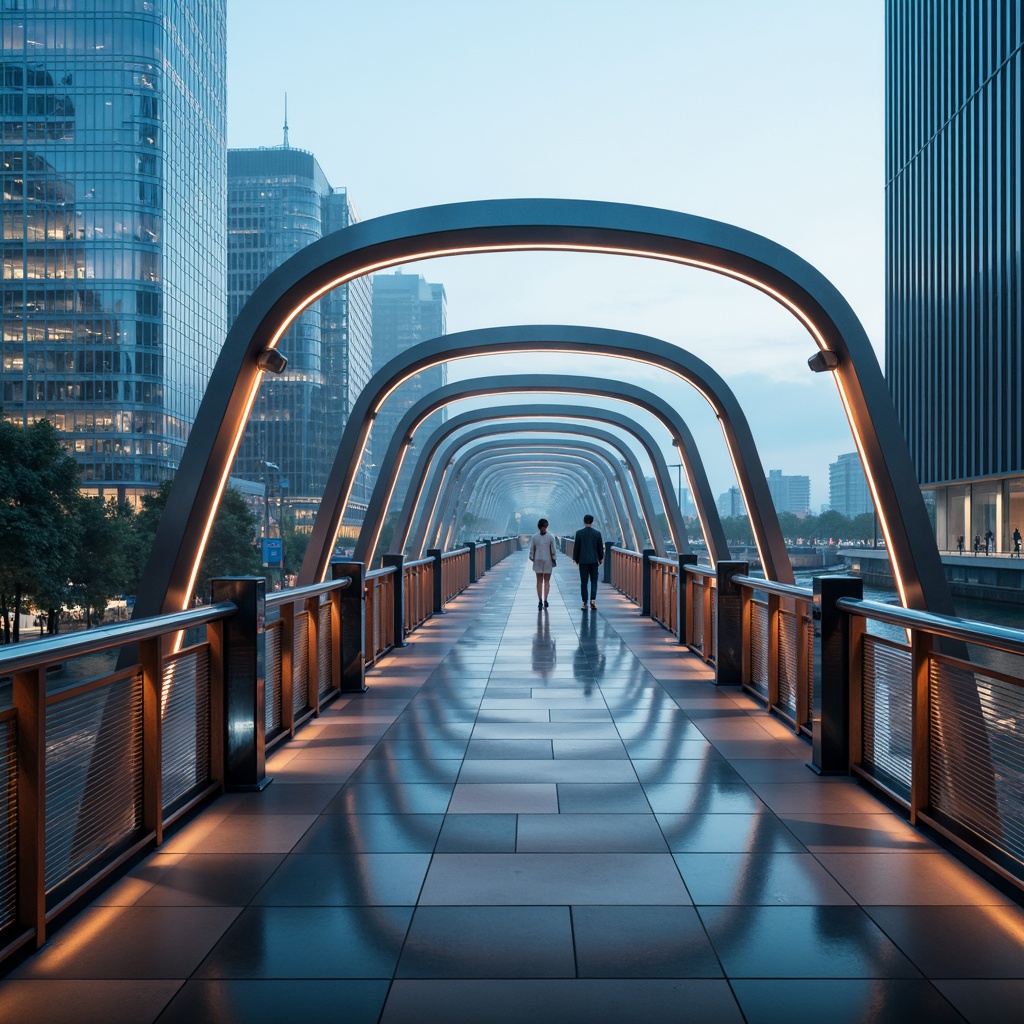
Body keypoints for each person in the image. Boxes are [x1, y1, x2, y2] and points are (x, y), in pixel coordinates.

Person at [573, 513, 604, 610]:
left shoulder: (579, 533)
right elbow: (600, 548)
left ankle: (584, 602)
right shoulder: (597, 533)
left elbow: (576, 547)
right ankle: (593, 600)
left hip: (583, 561)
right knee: (594, 581)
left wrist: (576, 559)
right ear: (592, 521)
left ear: (584, 521)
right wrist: (600, 558)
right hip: (594, 561)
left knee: (584, 582)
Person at [528, 518, 557, 609]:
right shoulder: (550, 537)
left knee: (539, 581)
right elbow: (553, 550)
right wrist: (554, 559)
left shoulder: (535, 537)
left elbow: (531, 550)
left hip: (537, 560)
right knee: (547, 581)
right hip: (548, 560)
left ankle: (540, 600)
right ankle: (545, 600)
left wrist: (533, 558)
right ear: (546, 526)